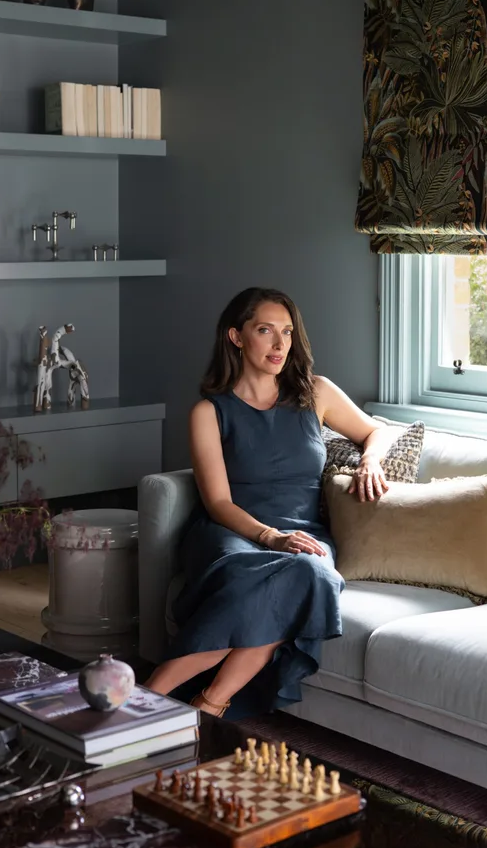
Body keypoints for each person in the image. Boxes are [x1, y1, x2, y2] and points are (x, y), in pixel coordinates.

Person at [145, 287, 392, 717]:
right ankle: (146, 697)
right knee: (254, 583)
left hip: (303, 534)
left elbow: (378, 431)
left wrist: (370, 460)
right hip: (233, 533)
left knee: (312, 572)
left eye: (287, 332)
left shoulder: (317, 393)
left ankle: (207, 706)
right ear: (237, 337)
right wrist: (269, 537)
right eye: (265, 331)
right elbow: (218, 501)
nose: (280, 345)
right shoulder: (209, 412)